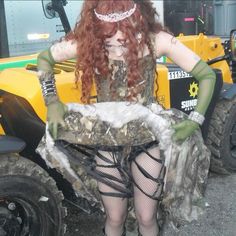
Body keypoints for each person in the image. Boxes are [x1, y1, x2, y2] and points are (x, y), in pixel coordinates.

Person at [37, 1, 216, 235]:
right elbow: (44, 59)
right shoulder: (88, 40)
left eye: (121, 32)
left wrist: (195, 120)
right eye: (106, 35)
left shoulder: (156, 40)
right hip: (107, 138)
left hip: (147, 136)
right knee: (114, 216)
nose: (113, 42)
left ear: (135, 20)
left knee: (146, 216)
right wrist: (52, 101)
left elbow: (207, 75)